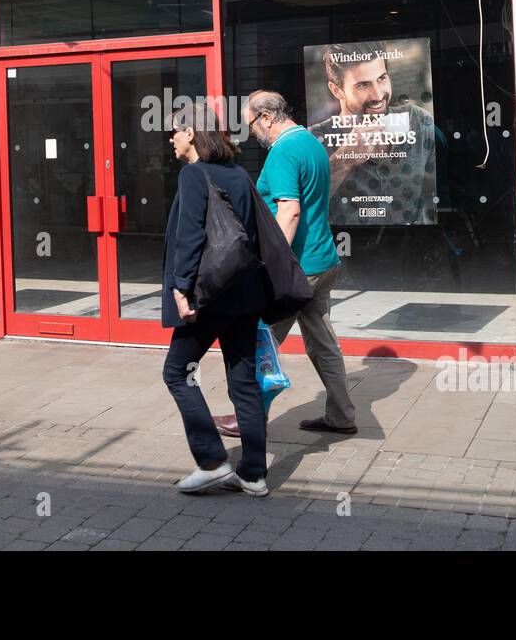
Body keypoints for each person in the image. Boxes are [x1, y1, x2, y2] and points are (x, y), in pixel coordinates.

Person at [214, 90, 358, 438]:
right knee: (323, 344)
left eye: (251, 124)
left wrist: (269, 265)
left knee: (256, 343)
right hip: (323, 263)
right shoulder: (311, 142)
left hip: (296, 269)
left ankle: (247, 419)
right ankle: (342, 416)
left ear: (266, 117)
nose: (252, 134)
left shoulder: (283, 151)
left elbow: (289, 210)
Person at [161, 105, 273, 497]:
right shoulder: (239, 174)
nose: (170, 138)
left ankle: (211, 461)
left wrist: (181, 287)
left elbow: (190, 235)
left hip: (207, 298)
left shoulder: (193, 174)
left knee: (177, 373)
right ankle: (254, 474)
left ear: (190, 133)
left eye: (174, 131)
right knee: (242, 381)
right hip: (243, 295)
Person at [309, 42, 436, 226]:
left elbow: (443, 186)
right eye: (363, 85)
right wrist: (344, 159)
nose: (378, 95)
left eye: (382, 78)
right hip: (349, 247)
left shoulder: (418, 120)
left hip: (412, 245)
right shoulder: (314, 138)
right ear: (337, 91)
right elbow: (306, 205)